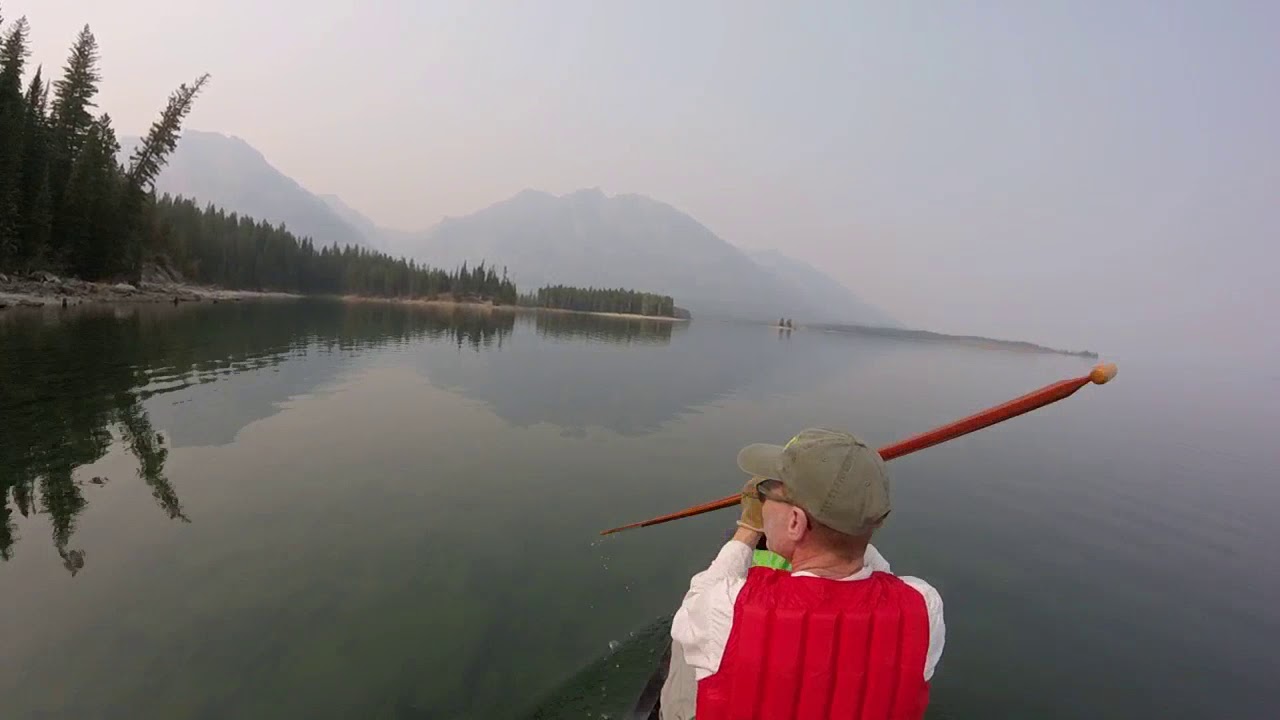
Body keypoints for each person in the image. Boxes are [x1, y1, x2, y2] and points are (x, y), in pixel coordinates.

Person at [660, 428, 945, 720]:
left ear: (795, 522)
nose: (761, 500)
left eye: (765, 492)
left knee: (688, 652)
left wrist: (748, 528)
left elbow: (696, 601)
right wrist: (851, 521)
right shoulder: (925, 608)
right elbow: (883, 577)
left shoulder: (725, 609)